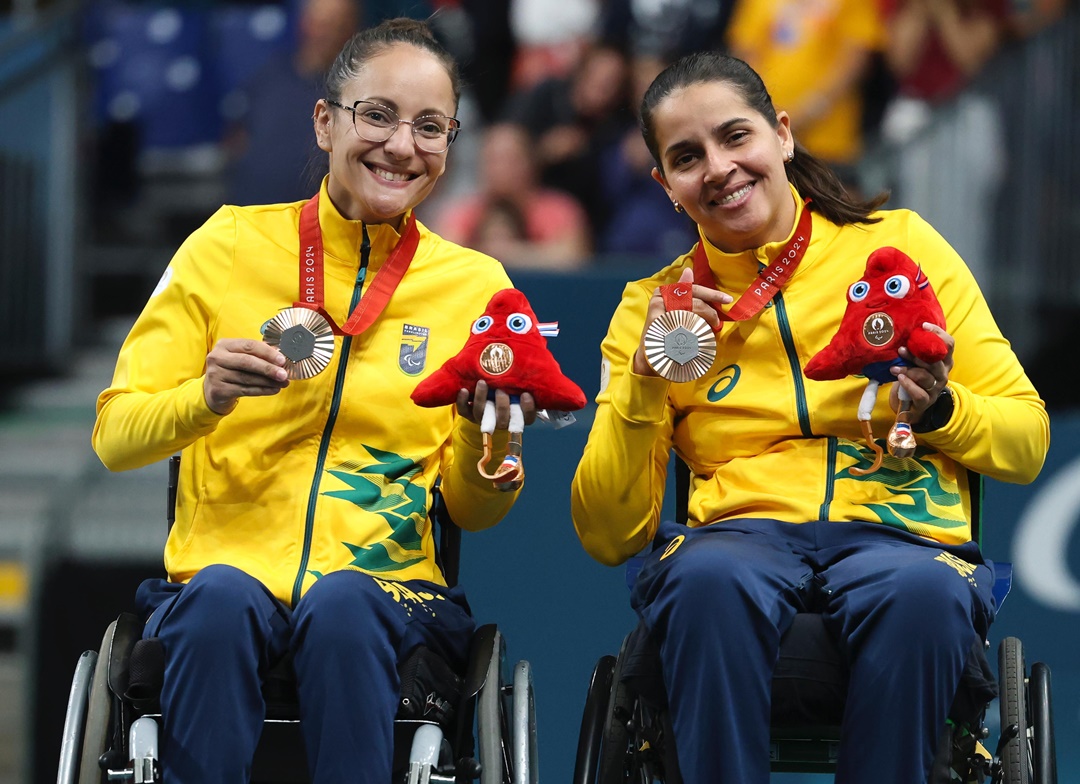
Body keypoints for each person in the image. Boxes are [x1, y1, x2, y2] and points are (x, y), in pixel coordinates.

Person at [570, 51, 1049, 784]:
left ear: (783, 135)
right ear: (666, 186)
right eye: (688, 156)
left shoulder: (903, 250)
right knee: (705, 582)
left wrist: (942, 410)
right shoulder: (652, 310)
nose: (721, 168)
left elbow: (1025, 443)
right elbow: (608, 535)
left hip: (902, 533)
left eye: (737, 136)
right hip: (739, 538)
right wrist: (642, 382)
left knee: (922, 593)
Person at [92, 18, 537, 783]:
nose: (403, 145)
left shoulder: (479, 287)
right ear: (326, 121)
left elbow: (476, 508)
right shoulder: (225, 245)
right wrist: (205, 397)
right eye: (379, 114)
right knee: (225, 598)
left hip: (391, 596)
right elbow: (116, 436)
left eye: (431, 126)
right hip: (217, 581)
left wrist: (484, 439)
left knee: (342, 603)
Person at [725, 0, 885, 192]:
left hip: (829, 142)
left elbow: (856, 58)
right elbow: (743, 55)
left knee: (837, 212)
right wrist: (764, 113)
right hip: (769, 138)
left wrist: (809, 111)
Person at [224, 0, 361, 205]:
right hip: (253, 215)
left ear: (352, 30)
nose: (327, 33)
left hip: (316, 223)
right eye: (321, 23)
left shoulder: (356, 91)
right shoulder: (270, 75)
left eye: (337, 24)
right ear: (304, 24)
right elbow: (237, 137)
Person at [432, 121, 592, 270]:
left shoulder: (559, 210)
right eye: (492, 159)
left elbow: (573, 257)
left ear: (529, 162)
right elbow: (445, 258)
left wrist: (509, 253)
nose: (500, 168)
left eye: (509, 159)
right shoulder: (463, 212)